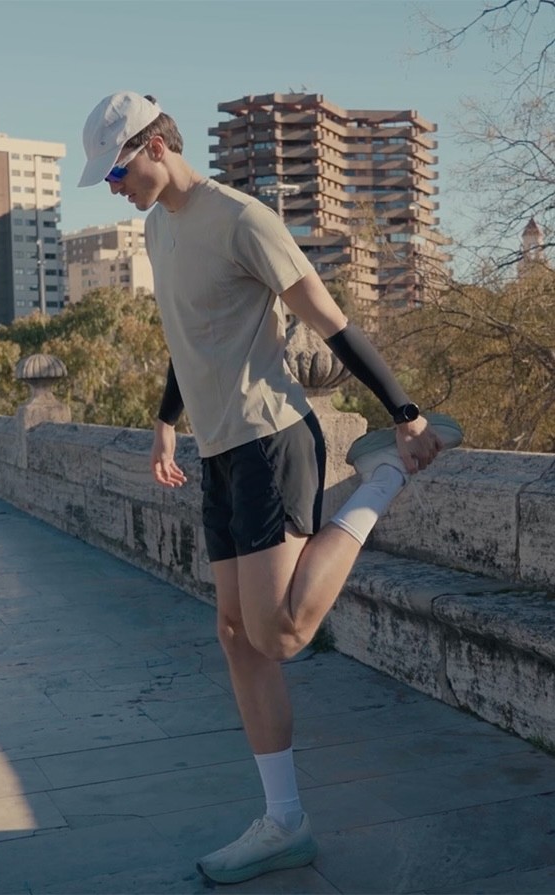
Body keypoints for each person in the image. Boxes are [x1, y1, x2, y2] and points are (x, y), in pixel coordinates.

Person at [79, 91, 462, 885]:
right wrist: (164, 422)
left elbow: (329, 319)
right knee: (235, 633)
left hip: (272, 440)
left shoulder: (241, 219)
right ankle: (285, 820)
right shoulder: (158, 228)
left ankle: (382, 477)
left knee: (281, 631)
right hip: (220, 449)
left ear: (155, 147)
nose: (114, 189)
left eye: (116, 173)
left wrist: (406, 415)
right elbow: (189, 336)